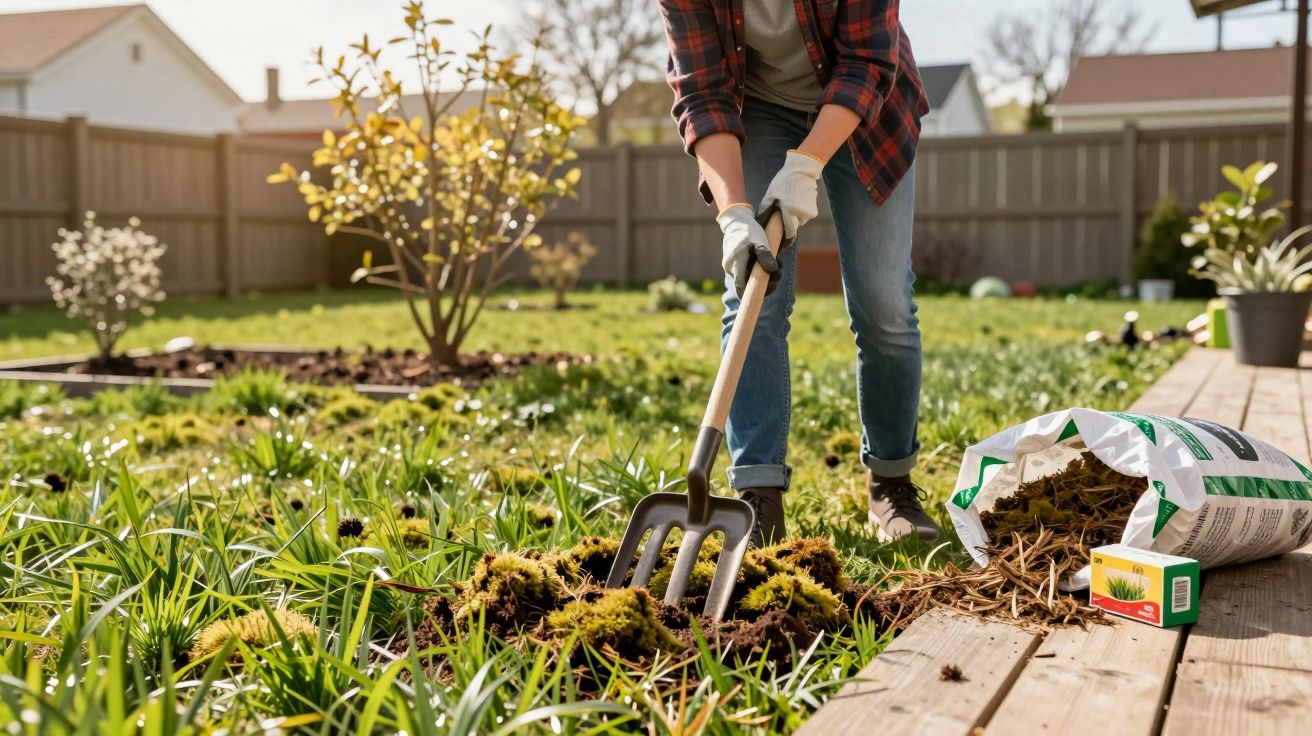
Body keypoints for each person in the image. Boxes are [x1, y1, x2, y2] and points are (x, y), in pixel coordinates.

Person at [658, 0, 937, 545]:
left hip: (866, 105)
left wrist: (806, 165)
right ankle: (757, 496)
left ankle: (891, 483)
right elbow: (702, 92)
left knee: (884, 304)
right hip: (758, 109)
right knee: (751, 298)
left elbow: (866, 63)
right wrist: (735, 215)